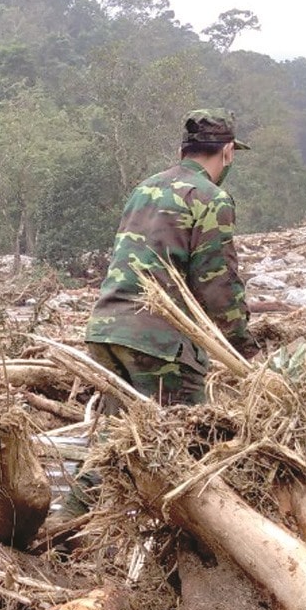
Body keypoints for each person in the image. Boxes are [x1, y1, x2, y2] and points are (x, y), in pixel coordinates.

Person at [84, 108, 253, 410]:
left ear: (181, 151)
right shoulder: (212, 198)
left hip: (105, 333)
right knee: (179, 443)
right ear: (228, 152)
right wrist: (245, 350)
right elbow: (217, 284)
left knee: (118, 443)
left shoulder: (144, 188)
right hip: (159, 343)